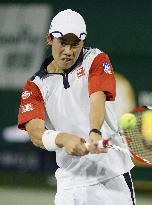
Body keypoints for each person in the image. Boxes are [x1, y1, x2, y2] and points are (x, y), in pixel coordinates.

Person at [18, 9, 136, 205]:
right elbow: (35, 133)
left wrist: (95, 131)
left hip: (112, 177)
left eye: (75, 44)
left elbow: (96, 98)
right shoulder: (35, 86)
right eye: (62, 43)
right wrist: (64, 139)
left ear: (83, 42)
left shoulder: (96, 60)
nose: (68, 51)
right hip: (70, 184)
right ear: (49, 39)